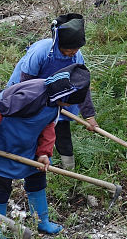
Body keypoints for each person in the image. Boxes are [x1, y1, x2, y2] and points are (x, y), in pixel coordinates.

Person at [0, 65, 91, 239]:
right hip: (1, 142)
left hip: (26, 142)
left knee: (37, 176)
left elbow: (48, 125)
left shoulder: (54, 99)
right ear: (65, 97)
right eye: (69, 103)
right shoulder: (30, 96)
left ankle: (41, 221)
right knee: (1, 185)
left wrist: (43, 153)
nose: (69, 106)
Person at [8, 14, 97, 172]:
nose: (74, 52)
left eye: (77, 49)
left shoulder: (77, 57)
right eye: (70, 49)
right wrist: (33, 105)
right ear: (60, 44)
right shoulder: (40, 52)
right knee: (32, 125)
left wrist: (89, 116)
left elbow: (82, 87)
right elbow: (25, 83)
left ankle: (68, 168)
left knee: (61, 127)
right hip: (30, 90)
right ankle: (27, 163)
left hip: (60, 94)